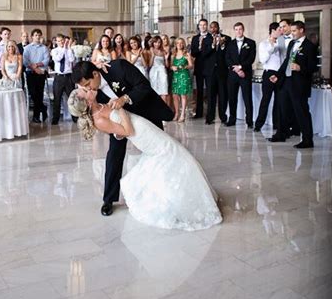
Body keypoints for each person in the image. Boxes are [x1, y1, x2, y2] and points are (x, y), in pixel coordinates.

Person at [68, 88, 222, 231]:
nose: (87, 89)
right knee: (171, 152)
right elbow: (128, 131)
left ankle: (180, 197)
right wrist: (120, 108)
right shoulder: (99, 120)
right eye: (84, 91)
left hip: (144, 126)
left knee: (172, 151)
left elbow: (119, 131)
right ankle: (183, 202)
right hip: (140, 135)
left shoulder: (100, 105)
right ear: (87, 102)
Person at [71, 59, 174, 216]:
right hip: (119, 122)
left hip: (144, 112)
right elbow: (94, 113)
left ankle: (166, 187)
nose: (88, 89)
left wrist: (124, 99)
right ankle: (108, 199)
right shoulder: (93, 90)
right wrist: (116, 132)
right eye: (84, 87)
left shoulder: (118, 67)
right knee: (114, 155)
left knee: (160, 149)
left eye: (87, 84)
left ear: (95, 74)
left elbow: (144, 86)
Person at [268, 20, 318, 148]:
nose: (293, 33)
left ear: (302, 30)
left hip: (300, 84)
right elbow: (286, 62)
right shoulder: (291, 43)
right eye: (292, 30)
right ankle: (281, 134)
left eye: (295, 31)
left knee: (302, 112)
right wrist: (277, 75)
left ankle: (307, 140)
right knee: (282, 108)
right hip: (287, 81)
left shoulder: (310, 46)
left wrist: (300, 68)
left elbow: (313, 67)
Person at [225, 22, 256, 128]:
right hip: (233, 74)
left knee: (247, 98)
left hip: (245, 74)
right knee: (232, 98)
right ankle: (232, 119)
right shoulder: (230, 44)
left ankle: (249, 121)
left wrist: (241, 67)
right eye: (236, 29)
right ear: (234, 30)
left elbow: (251, 58)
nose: (238, 31)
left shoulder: (251, 43)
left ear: (243, 30)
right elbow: (227, 58)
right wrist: (236, 69)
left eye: (240, 29)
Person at [254, 22, 282, 132]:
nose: (281, 31)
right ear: (273, 31)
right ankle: (258, 124)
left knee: (279, 101)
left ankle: (277, 124)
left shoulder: (282, 43)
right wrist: (271, 46)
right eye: (279, 29)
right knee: (265, 100)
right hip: (268, 73)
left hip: (279, 74)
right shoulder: (263, 44)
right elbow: (263, 60)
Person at [201, 21, 230, 125]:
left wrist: (222, 46)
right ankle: (210, 117)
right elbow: (204, 54)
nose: (213, 29)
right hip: (210, 72)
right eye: (211, 27)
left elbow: (228, 54)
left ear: (218, 27)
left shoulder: (227, 38)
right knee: (210, 94)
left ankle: (223, 117)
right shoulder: (206, 39)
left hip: (222, 71)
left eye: (215, 27)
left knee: (223, 94)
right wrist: (213, 46)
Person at [23, 28, 50, 123]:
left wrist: (38, 65)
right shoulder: (27, 48)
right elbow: (25, 61)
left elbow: (46, 60)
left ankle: (36, 116)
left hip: (41, 73)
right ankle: (43, 108)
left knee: (39, 94)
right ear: (32, 37)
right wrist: (34, 68)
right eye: (35, 35)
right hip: (30, 73)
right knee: (33, 93)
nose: (37, 37)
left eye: (39, 35)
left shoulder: (44, 48)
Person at [50, 33, 76, 124]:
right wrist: (64, 49)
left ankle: (75, 118)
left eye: (62, 40)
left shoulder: (69, 50)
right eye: (59, 41)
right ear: (56, 42)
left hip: (68, 77)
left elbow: (72, 60)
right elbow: (58, 59)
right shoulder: (54, 51)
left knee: (72, 98)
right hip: (59, 77)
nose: (61, 42)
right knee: (57, 98)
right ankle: (55, 119)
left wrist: (68, 48)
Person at [190, 19, 212, 119]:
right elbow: (193, 52)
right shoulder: (195, 38)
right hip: (199, 67)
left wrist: (200, 50)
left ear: (206, 26)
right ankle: (199, 113)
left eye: (204, 25)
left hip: (208, 67)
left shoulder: (211, 37)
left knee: (209, 90)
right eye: (201, 25)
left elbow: (209, 52)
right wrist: (199, 49)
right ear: (198, 26)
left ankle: (209, 114)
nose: (202, 27)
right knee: (199, 91)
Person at [171, 37, 193, 122]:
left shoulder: (186, 54)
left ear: (183, 44)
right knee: (175, 95)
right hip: (175, 76)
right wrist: (172, 67)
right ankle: (177, 113)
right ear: (175, 44)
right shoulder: (173, 54)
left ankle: (183, 114)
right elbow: (170, 65)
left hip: (183, 76)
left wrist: (183, 66)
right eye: (178, 43)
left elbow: (191, 66)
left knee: (183, 95)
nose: (179, 45)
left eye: (181, 43)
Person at [149, 35, 170, 104]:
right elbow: (149, 65)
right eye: (155, 42)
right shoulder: (151, 50)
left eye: (159, 42)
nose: (157, 44)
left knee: (164, 91)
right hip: (154, 71)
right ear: (153, 43)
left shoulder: (163, 51)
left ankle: (164, 111)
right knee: (154, 91)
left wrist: (166, 59)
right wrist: (152, 55)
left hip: (162, 71)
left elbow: (167, 65)